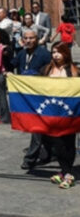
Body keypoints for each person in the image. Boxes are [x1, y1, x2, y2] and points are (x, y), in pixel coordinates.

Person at [12, 29, 53, 170]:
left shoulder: (44, 54)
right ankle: (47, 154)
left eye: (31, 38)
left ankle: (30, 158)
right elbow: (13, 63)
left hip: (42, 96)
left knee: (38, 126)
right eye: (26, 38)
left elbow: (51, 72)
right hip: (28, 97)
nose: (28, 41)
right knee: (43, 127)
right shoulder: (22, 53)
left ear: (37, 39)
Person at [42, 42, 78, 189]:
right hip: (51, 113)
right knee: (55, 144)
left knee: (67, 143)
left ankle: (68, 174)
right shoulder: (47, 69)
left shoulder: (73, 71)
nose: (56, 55)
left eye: (59, 52)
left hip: (69, 114)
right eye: (53, 52)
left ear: (66, 54)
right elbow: (34, 83)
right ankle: (64, 171)